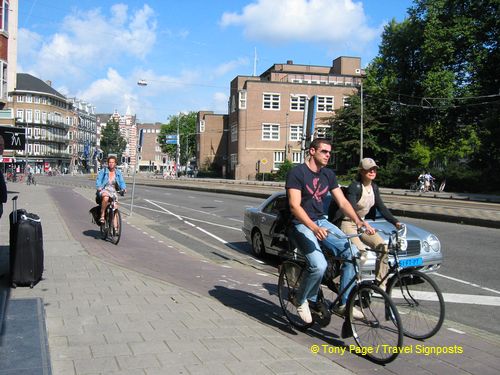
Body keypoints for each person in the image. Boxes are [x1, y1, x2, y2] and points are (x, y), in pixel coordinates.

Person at [286, 138, 374, 323]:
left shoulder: (328, 174)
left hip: (321, 221)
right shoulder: (297, 173)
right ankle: (300, 299)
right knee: (319, 265)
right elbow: (294, 206)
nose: (328, 155)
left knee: (354, 253)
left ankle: (343, 305)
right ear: (312, 151)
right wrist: (314, 227)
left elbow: (342, 202)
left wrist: (359, 221)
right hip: (301, 224)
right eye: (324, 151)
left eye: (329, 152)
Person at [332, 158, 402, 289]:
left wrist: (395, 222)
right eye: (369, 169)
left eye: (374, 169)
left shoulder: (374, 187)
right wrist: (365, 225)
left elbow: (381, 207)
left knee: (383, 247)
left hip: (362, 224)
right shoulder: (355, 186)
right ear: (361, 171)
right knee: (360, 253)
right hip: (348, 223)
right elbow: (351, 209)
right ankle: (343, 282)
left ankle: (380, 283)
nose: (372, 171)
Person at [95, 155, 127, 224]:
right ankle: (102, 214)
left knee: (115, 208)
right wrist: (99, 187)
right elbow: (99, 180)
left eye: (113, 162)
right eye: (109, 162)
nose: (111, 163)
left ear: (115, 163)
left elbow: (121, 182)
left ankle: (115, 229)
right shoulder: (103, 171)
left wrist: (124, 188)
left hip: (113, 191)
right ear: (108, 163)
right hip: (104, 189)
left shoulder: (118, 172)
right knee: (106, 197)